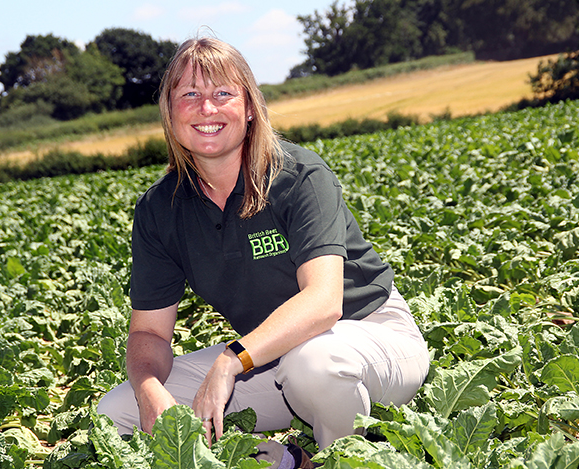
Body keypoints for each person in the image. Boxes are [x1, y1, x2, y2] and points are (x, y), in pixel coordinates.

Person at [97, 36, 430, 454]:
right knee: (117, 411)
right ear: (169, 112)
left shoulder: (298, 175)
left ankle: (344, 460)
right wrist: (149, 391)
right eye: (190, 95)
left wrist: (230, 361)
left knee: (313, 364)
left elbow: (324, 302)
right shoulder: (159, 208)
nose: (207, 108)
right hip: (267, 358)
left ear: (250, 107)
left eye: (222, 93)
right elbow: (148, 332)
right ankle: (284, 460)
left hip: (370, 340)